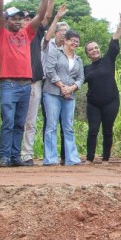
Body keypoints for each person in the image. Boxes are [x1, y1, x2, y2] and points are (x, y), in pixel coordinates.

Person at [0, 0, 51, 167]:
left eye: (20, 18)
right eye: (13, 18)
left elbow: (41, 16)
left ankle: (15, 157)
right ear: (6, 20)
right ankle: (5, 157)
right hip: (8, 84)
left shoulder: (27, 34)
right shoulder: (1, 34)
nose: (17, 21)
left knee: (19, 123)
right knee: (8, 121)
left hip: (26, 85)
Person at [21, 0, 61, 166]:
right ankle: (11, 154)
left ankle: (27, 154)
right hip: (14, 82)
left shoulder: (36, 35)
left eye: (29, 18)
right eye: (23, 18)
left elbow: (46, 16)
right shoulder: (11, 35)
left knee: (30, 121)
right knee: (14, 120)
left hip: (35, 81)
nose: (26, 20)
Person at [83, 14, 121, 163]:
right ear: (87, 54)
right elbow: (77, 81)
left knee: (108, 130)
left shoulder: (108, 59)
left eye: (96, 48)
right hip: (93, 104)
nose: (94, 50)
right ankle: (89, 159)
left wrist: (120, 25)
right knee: (93, 130)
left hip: (111, 102)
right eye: (91, 49)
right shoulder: (86, 69)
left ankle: (106, 159)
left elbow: (114, 42)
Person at [42, 29, 84, 166]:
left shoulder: (78, 59)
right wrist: (62, 86)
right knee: (51, 125)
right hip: (52, 92)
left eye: (77, 41)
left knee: (68, 127)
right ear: (65, 40)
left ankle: (72, 158)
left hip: (70, 96)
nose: (75, 43)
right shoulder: (55, 52)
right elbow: (50, 70)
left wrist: (71, 88)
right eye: (72, 40)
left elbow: (81, 78)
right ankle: (50, 158)